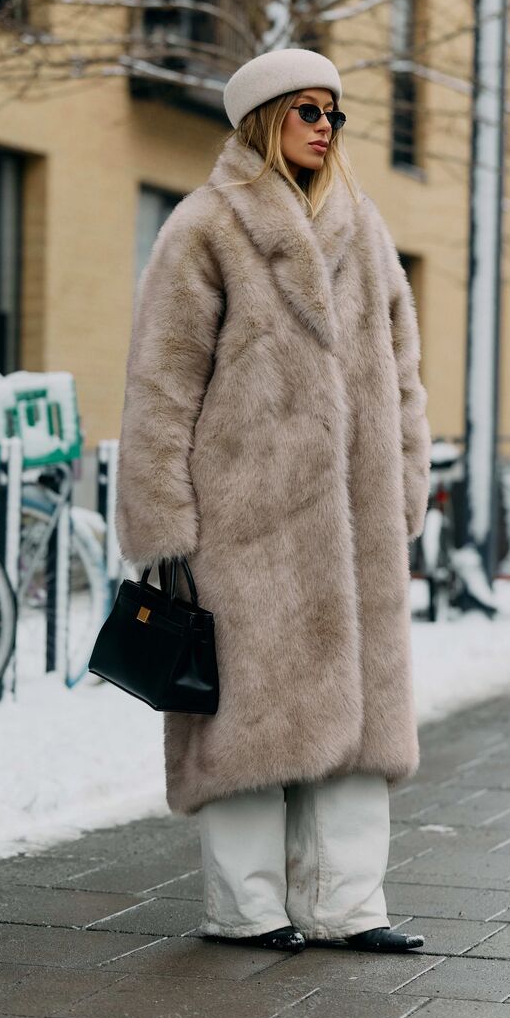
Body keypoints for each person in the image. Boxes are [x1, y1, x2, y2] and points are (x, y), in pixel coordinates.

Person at [115, 48, 432, 954]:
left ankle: (348, 906)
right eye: (307, 109)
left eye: (335, 111)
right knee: (249, 721)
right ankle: (244, 909)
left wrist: (406, 479)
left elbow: (403, 371)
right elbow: (161, 381)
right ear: (263, 119)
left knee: (364, 724)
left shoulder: (364, 229)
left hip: (358, 522)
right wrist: (163, 520)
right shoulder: (205, 227)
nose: (326, 125)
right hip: (244, 522)